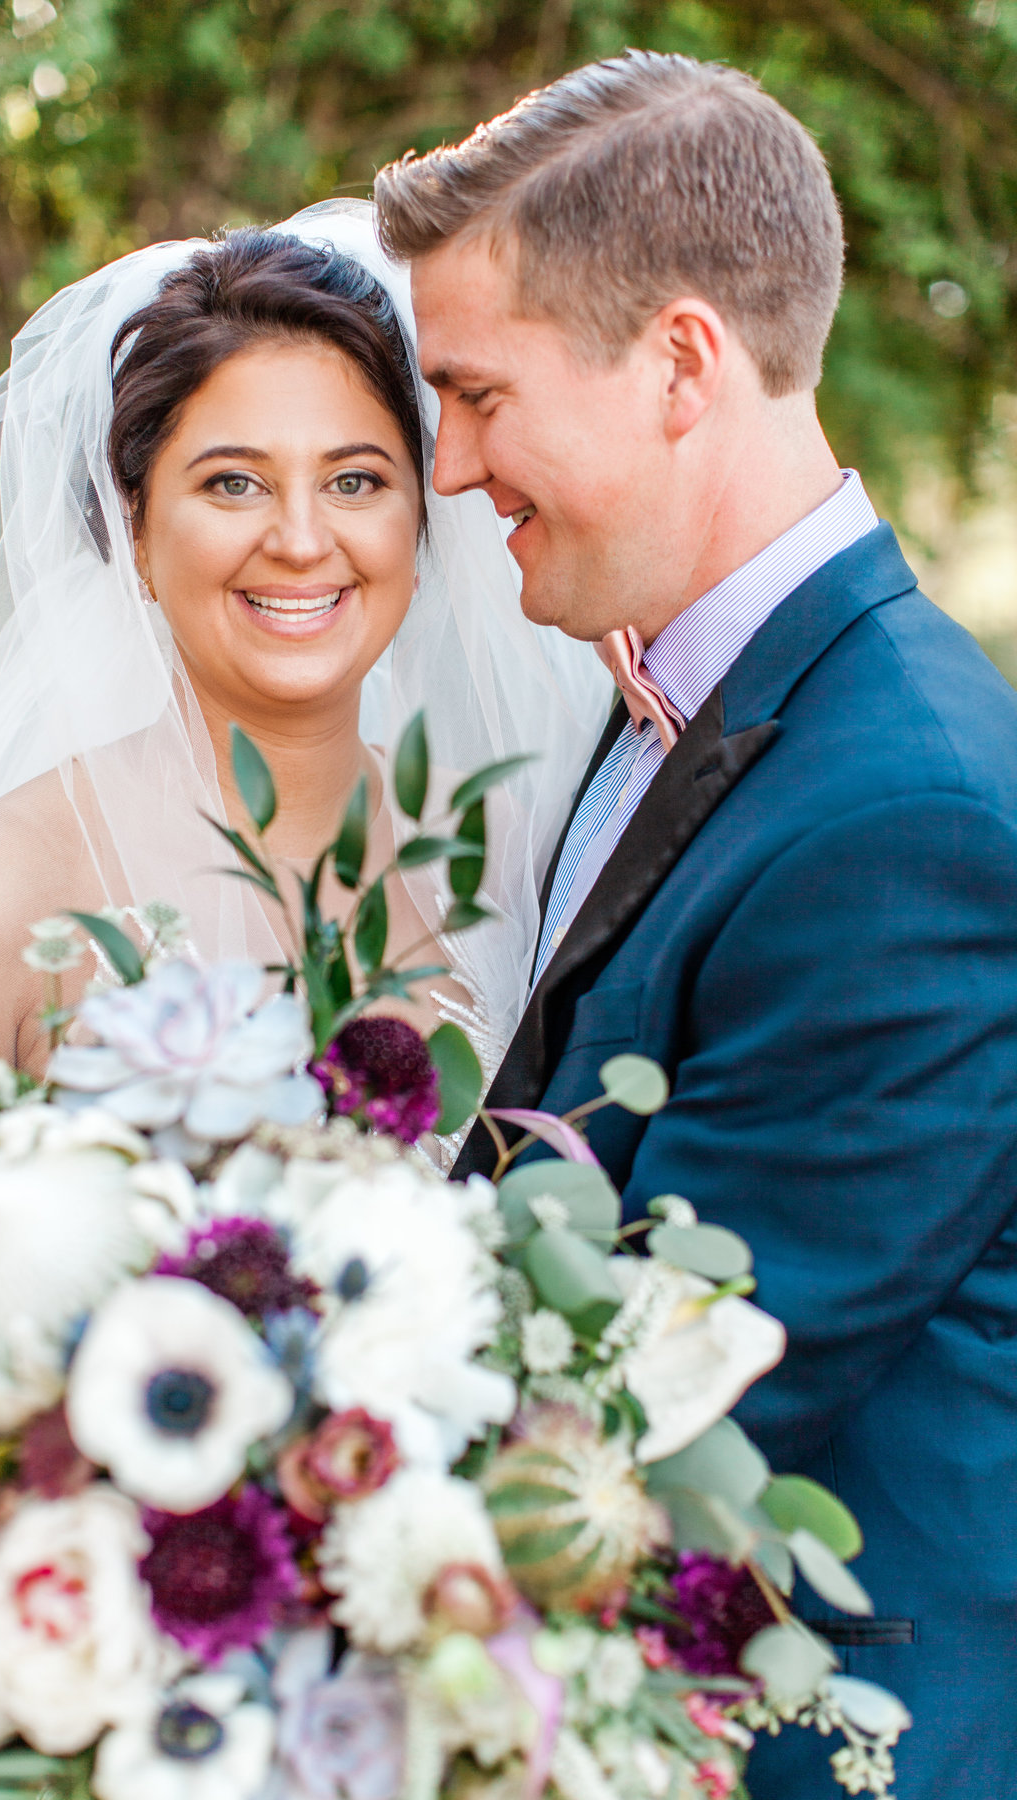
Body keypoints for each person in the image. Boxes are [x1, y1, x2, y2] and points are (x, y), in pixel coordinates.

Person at [375, 49, 1017, 1800]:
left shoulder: (913, 815)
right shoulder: (656, 691)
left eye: (481, 395)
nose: (448, 467)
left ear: (679, 363)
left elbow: (671, 1407)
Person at [0, 204, 609, 1103]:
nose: (302, 540)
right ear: (137, 532)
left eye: (355, 481)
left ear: (421, 524)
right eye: (234, 483)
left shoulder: (495, 856)